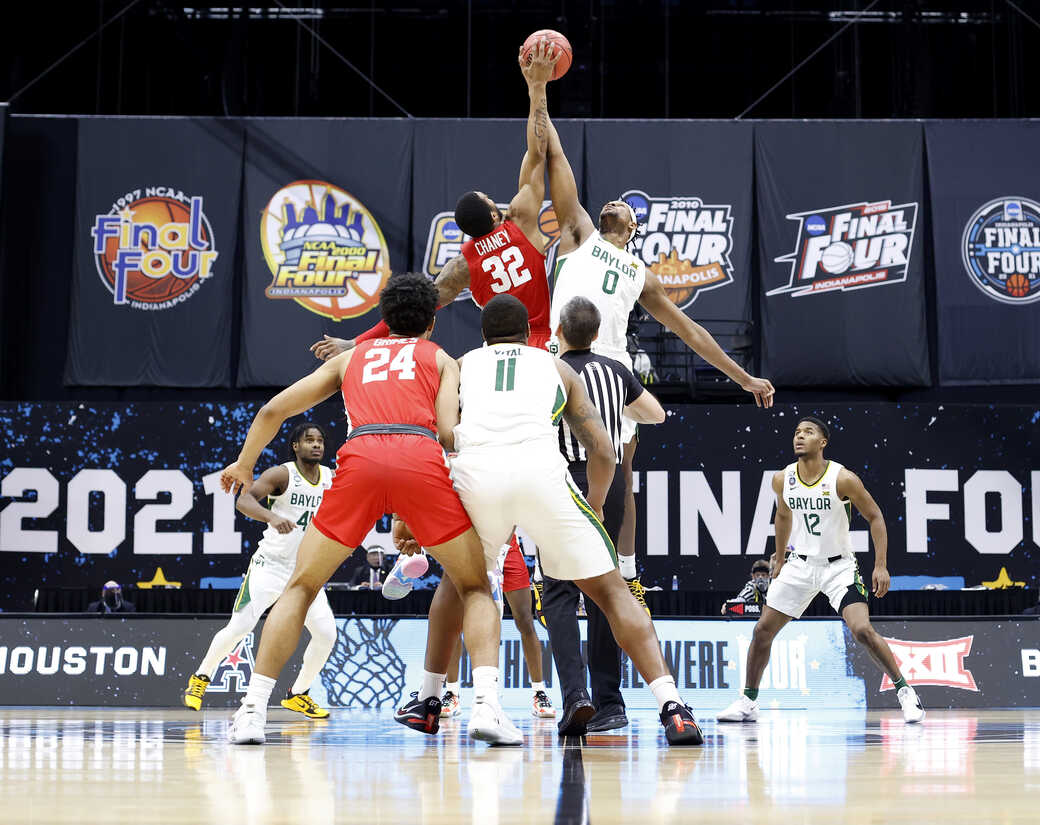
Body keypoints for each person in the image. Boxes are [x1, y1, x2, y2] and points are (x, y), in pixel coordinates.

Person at [219, 273, 515, 746]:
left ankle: (252, 711)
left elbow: (275, 410)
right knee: (475, 585)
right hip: (419, 457)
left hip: (360, 460)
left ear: (383, 319)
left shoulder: (351, 358)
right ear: (431, 322)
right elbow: (444, 432)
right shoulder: (440, 359)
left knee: (300, 586)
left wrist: (245, 461)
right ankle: (486, 708)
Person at [399, 294, 702, 746]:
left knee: (464, 586)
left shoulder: (460, 363)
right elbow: (603, 448)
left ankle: (431, 700)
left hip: (478, 476)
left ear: (484, 334)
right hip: (543, 477)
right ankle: (672, 707)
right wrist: (596, 504)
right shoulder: (558, 367)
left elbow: (442, 435)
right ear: (531, 334)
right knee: (612, 591)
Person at [537, 92, 776, 609]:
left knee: (621, 476)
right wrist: (539, 93)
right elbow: (554, 155)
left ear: (633, 228)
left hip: (611, 369)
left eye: (623, 207)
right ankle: (554, 570)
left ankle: (623, 575)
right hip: (560, 362)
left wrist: (744, 379)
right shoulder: (578, 232)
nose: (615, 202)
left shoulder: (641, 274)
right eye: (612, 202)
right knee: (551, 470)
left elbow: (692, 333)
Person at [309, 41, 561, 360]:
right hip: (542, 342)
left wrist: (354, 343)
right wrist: (536, 86)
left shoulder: (461, 266)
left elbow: (413, 311)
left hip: (495, 354)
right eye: (488, 199)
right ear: (496, 216)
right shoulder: (521, 220)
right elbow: (538, 154)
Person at [716, 416, 925, 724]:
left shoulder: (843, 479)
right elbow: (783, 516)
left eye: (808, 432)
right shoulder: (782, 478)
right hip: (799, 564)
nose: (800, 437)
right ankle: (748, 702)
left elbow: (876, 517)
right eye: (797, 432)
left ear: (822, 442)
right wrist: (779, 559)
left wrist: (881, 565)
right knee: (762, 631)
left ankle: (906, 692)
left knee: (862, 630)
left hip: (838, 566)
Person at [540, 296, 667, 734]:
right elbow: (657, 415)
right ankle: (611, 703)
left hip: (562, 479)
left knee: (557, 591)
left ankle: (575, 697)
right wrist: (619, 410)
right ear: (596, 335)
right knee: (606, 590)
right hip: (608, 482)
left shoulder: (548, 368)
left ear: (558, 331)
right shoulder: (614, 370)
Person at [183, 424, 336, 719]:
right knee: (240, 627)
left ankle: (298, 694)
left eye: (319, 441)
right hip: (271, 566)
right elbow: (244, 500)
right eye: (309, 440)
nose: (316, 445)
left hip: (306, 571)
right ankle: (201, 677)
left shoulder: (330, 477)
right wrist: (272, 516)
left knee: (327, 635)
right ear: (295, 446)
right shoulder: (281, 474)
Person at [439, 534, 555, 721]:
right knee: (457, 622)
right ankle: (451, 693)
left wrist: (500, 553)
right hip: (472, 550)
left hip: (507, 551)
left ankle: (539, 693)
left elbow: (512, 515)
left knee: (525, 621)